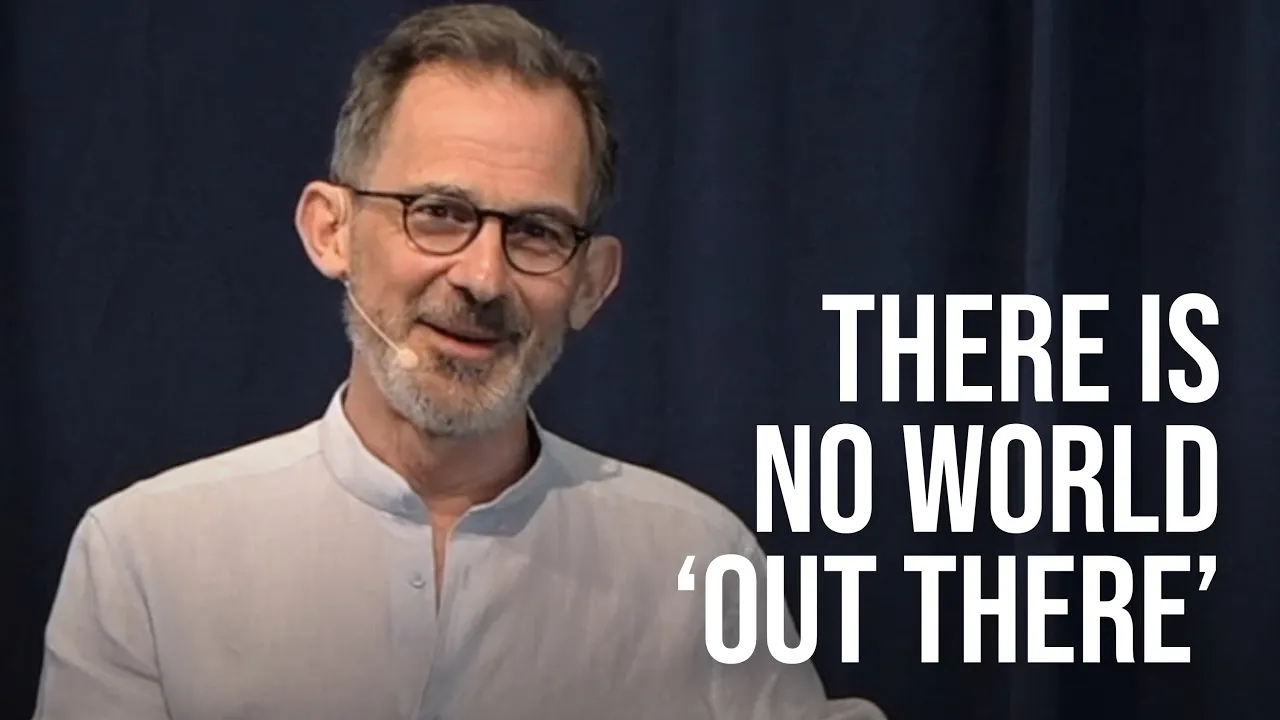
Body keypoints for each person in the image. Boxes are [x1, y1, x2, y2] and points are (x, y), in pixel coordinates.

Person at [33, 4, 828, 719]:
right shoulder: (144, 560)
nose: (483, 278)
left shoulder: (699, 562)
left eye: (538, 233)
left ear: (591, 283)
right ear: (332, 231)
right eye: (439, 213)